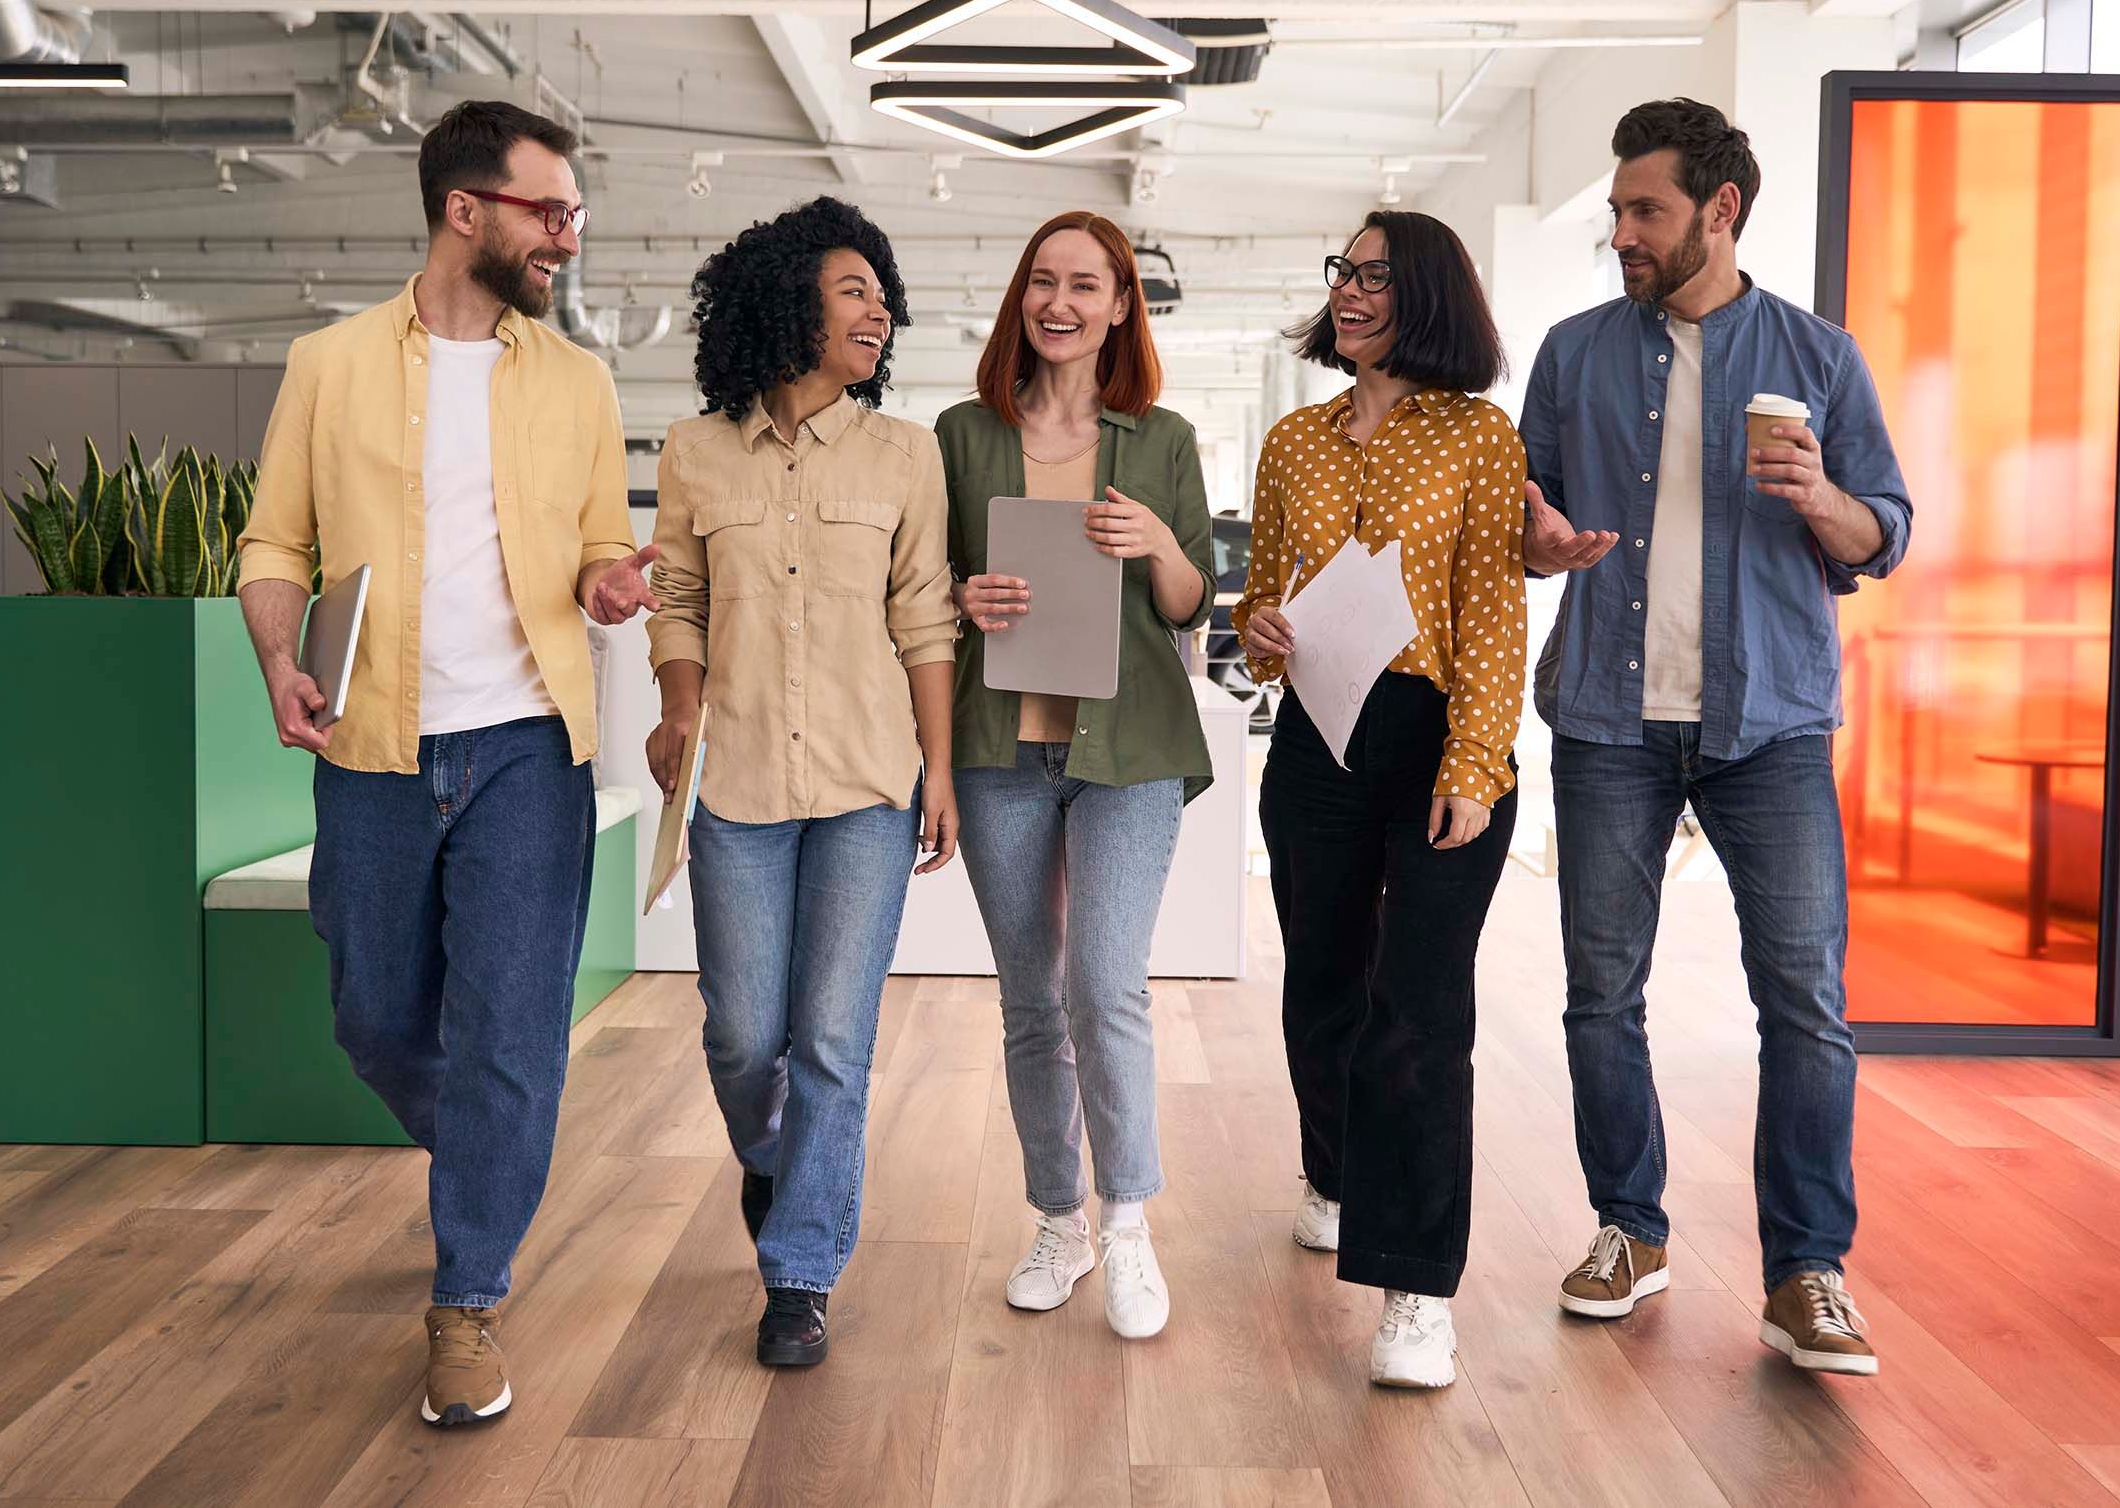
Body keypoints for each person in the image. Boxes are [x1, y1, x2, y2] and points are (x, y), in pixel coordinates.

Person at [235, 100, 656, 1428]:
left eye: (572, 213)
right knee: (371, 1009)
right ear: (464, 209)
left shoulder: (579, 381)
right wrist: (274, 655)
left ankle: (467, 1295)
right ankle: (491, 1147)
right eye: (550, 211)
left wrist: (609, 578)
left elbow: (597, 540)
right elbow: (271, 546)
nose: (567, 236)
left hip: (530, 746)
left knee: (507, 1034)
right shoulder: (330, 362)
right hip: (371, 743)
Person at [1518, 97, 1911, 1376]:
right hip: (1607, 721)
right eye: (1619, 209)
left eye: (1646, 210)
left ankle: (1807, 1271)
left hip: (1772, 724)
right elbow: (1526, 522)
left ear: (1718, 211)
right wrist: (1540, 543)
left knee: (1804, 1004)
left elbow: (1884, 534)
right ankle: (1628, 1227)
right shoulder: (1574, 353)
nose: (1622, 231)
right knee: (1599, 995)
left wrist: (1822, 496)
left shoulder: (1819, 355)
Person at [644, 196, 958, 1368]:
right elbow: (677, 597)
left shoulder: (902, 453)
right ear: (787, 302)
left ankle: (800, 1272)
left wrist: (938, 769)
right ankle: (775, 1165)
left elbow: (924, 613)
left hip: (869, 785)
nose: (878, 311)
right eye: (853, 291)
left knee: (832, 1036)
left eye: (883, 295)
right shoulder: (695, 450)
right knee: (740, 1035)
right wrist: (678, 706)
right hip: (738, 793)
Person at [1233, 209, 1526, 1389]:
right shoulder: (1293, 440)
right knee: (1319, 986)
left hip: (1434, 737)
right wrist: (1260, 633)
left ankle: (1413, 1288)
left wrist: (1471, 767)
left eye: (1375, 275)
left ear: (1429, 297)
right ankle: (1335, 1168)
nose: (1350, 291)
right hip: (1315, 731)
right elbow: (1263, 608)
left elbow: (1498, 613)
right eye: (1342, 272)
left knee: (1418, 1010)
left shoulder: (1479, 437)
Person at [938, 211, 1217, 1341]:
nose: (1060, 300)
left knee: (1105, 984)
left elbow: (1193, 604)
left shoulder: (1162, 437)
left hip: (1130, 747)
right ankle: (1056, 1216)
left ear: (1118, 307)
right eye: (1042, 280)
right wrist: (961, 600)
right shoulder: (959, 434)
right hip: (1000, 748)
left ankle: (1128, 1220)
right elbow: (923, 587)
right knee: (1027, 998)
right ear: (1022, 299)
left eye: (1085, 284)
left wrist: (1156, 542)